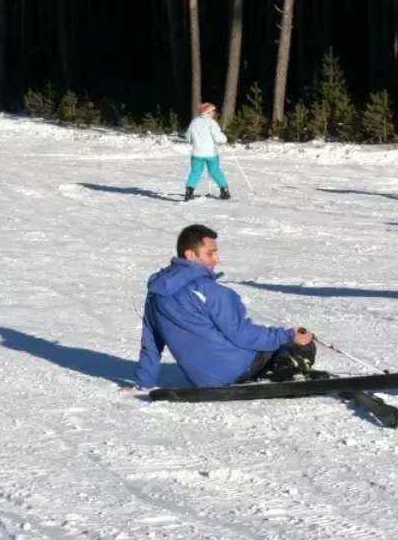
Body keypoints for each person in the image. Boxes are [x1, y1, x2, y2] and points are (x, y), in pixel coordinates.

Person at [133, 224, 316, 390]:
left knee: (273, 342)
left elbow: (151, 340)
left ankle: (277, 367)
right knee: (302, 344)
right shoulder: (211, 291)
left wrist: (144, 382)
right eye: (210, 254)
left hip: (202, 380)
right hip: (237, 369)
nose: (217, 259)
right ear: (190, 255)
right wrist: (288, 335)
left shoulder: (156, 293)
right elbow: (242, 334)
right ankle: (282, 370)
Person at [185, 102, 231, 202]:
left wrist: (195, 141)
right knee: (215, 171)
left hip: (197, 153)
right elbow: (218, 138)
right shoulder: (211, 122)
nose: (214, 113)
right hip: (211, 154)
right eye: (213, 111)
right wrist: (225, 139)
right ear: (208, 111)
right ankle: (224, 191)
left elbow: (188, 137)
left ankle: (189, 192)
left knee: (195, 172)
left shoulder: (194, 122)